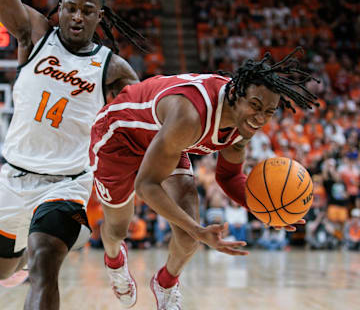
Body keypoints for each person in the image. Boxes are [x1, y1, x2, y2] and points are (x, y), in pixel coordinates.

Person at [89, 47, 319, 309]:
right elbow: (146, 185)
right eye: (255, 106)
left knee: (187, 236)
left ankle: (165, 283)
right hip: (119, 136)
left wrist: (265, 209)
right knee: (118, 227)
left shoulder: (244, 127)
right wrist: (198, 230)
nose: (260, 118)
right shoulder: (190, 115)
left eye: (269, 111)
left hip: (167, 140)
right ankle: (114, 261)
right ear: (235, 94)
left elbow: (229, 176)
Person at [0, 0, 144, 309]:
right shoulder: (34, 36)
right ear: (59, 8)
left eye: (87, 10)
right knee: (4, 271)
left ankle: (29, 257)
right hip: (13, 178)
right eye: (70, 8)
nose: (77, 16)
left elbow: (141, 128)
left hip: (67, 185)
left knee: (45, 259)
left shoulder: (114, 70)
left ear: (100, 16)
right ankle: (14, 260)